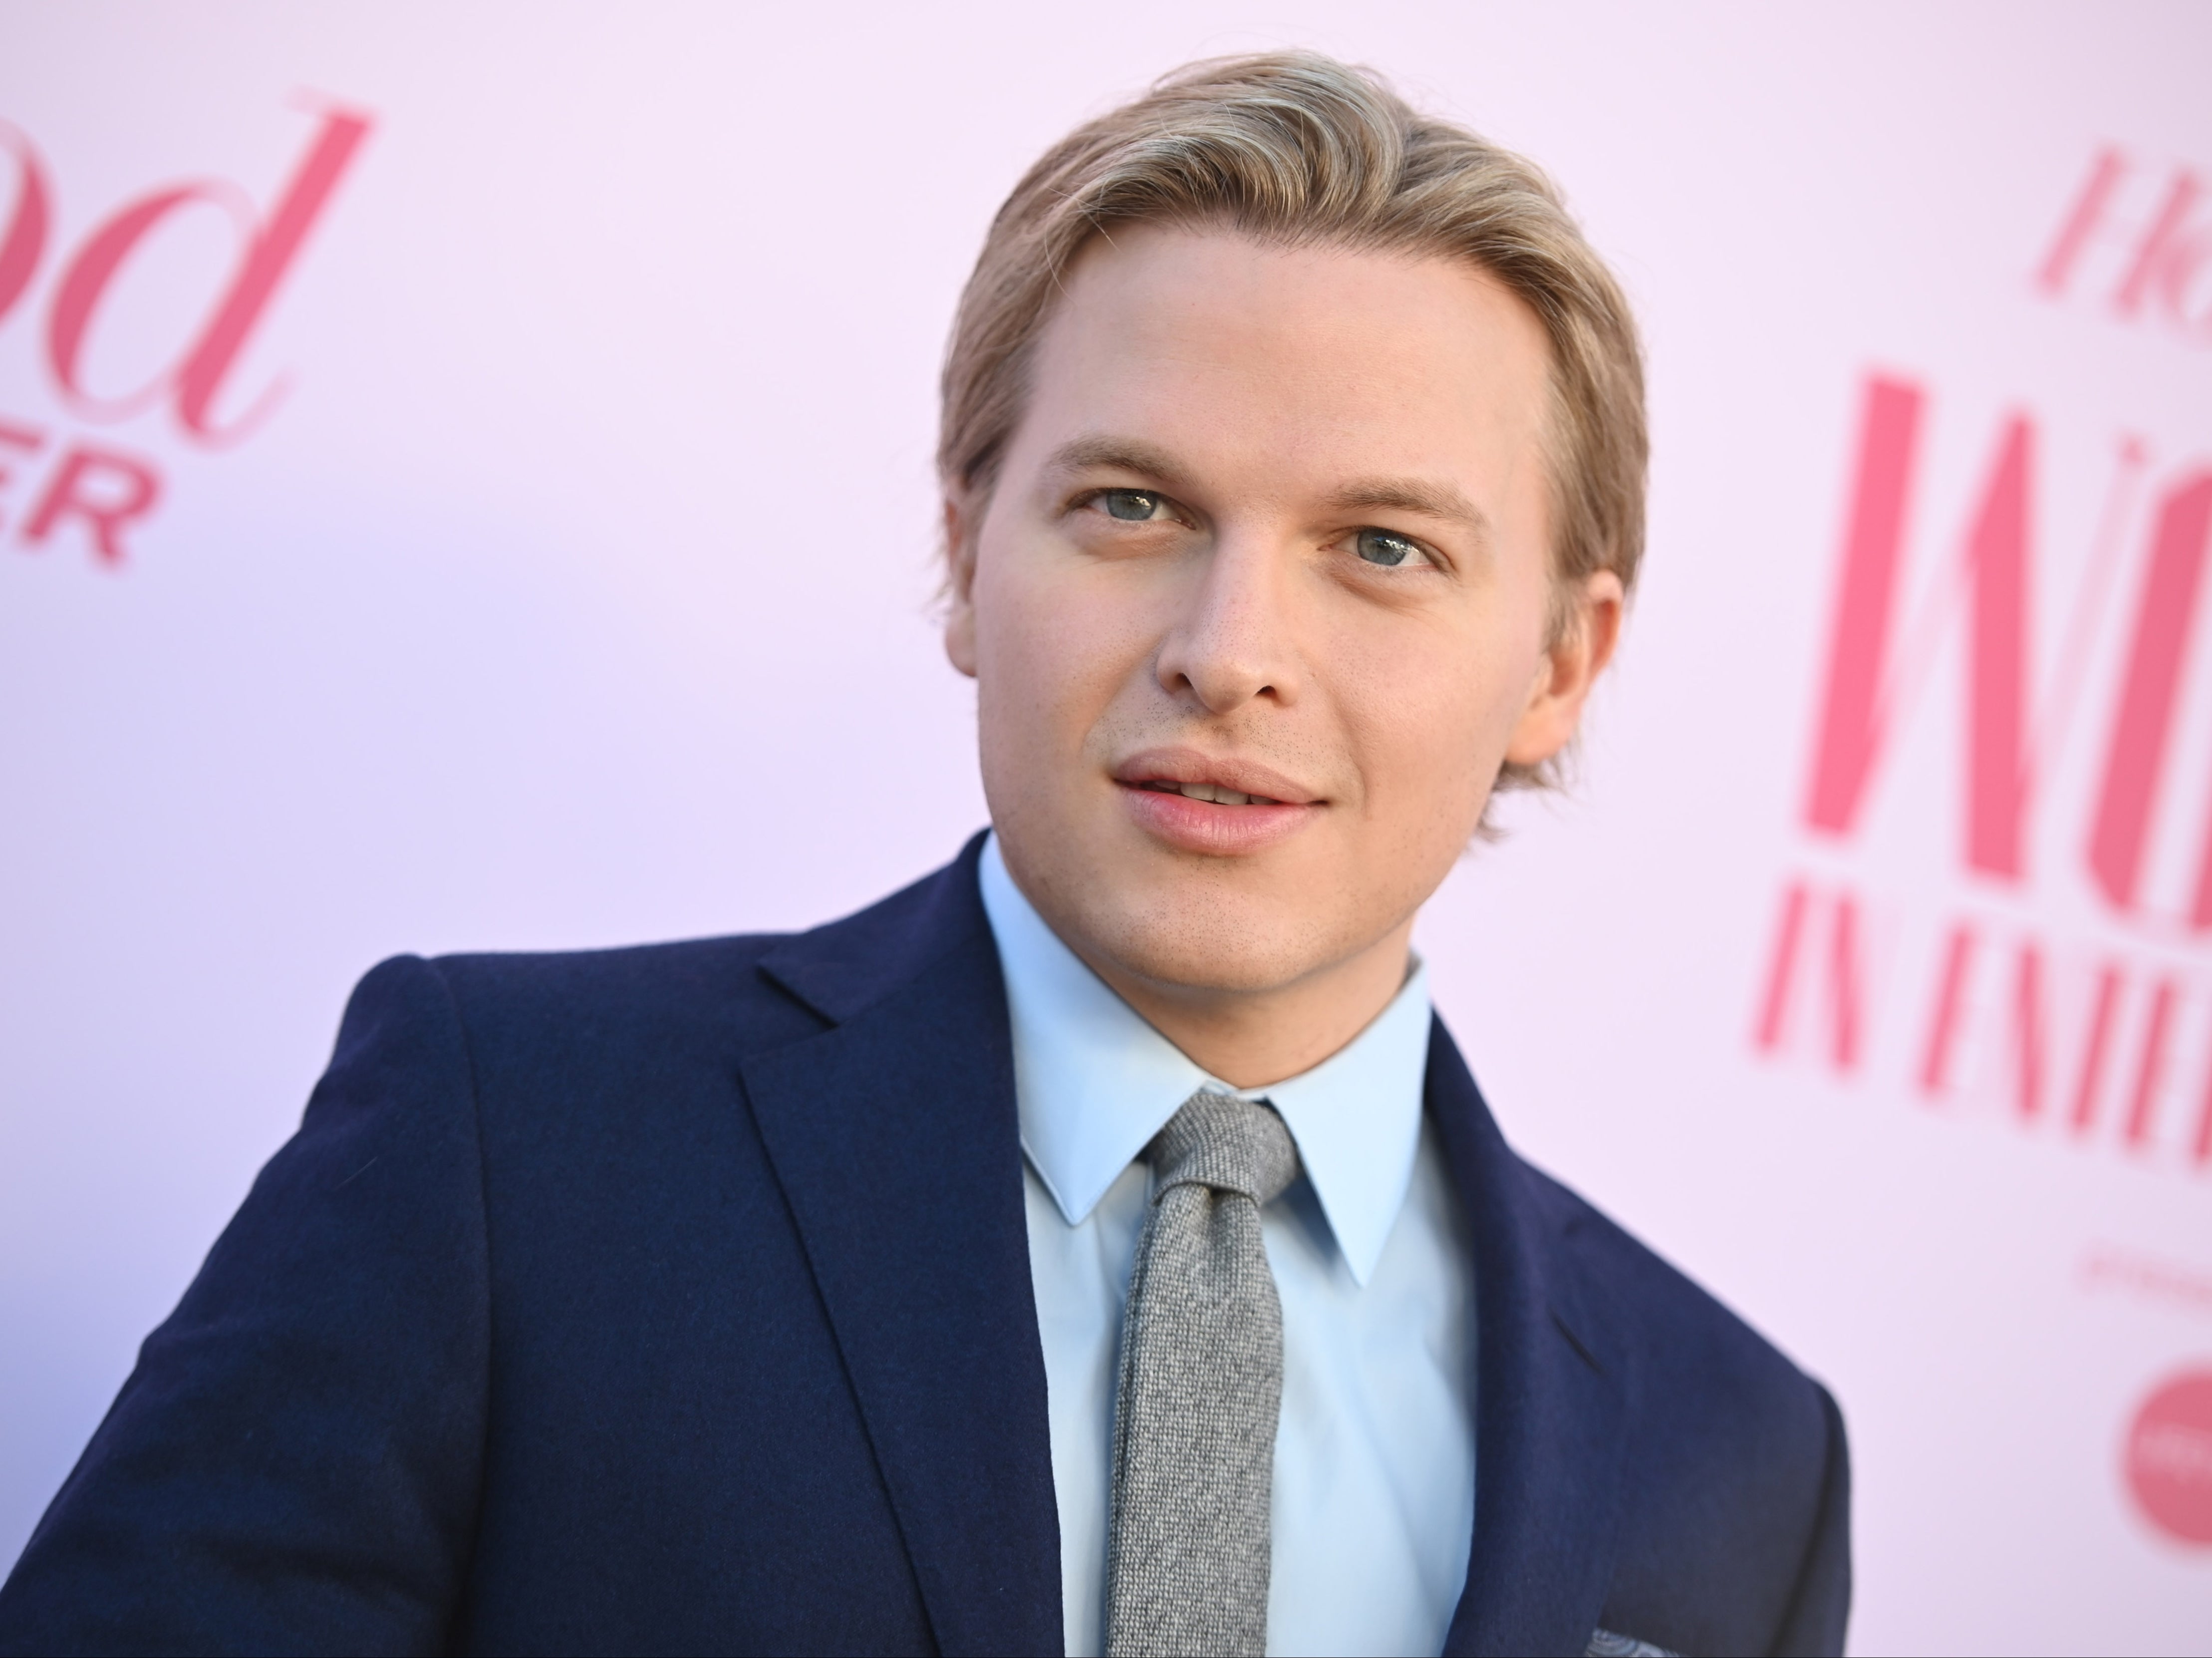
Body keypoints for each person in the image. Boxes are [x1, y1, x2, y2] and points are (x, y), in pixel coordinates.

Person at [0, 51, 1849, 1658]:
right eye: (1131, 505)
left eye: (1381, 546)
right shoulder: (504, 1146)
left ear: (1562, 664)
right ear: (967, 555)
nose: (1231, 644)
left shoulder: (1739, 1450)